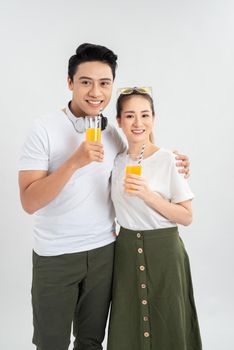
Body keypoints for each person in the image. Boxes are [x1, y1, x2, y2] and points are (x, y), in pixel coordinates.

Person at [18, 44, 191, 350]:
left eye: (104, 83)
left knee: (91, 341)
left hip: (104, 252)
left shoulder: (112, 133)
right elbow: (29, 202)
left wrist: (173, 162)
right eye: (85, 82)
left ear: (112, 85)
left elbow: (138, 159)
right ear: (70, 82)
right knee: (51, 342)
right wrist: (74, 161)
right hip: (55, 255)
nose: (95, 91)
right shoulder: (43, 129)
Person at [107, 87, 202, 350]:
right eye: (130, 116)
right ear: (119, 121)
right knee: (128, 322)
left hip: (164, 253)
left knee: (169, 319)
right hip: (125, 251)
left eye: (145, 115)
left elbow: (186, 216)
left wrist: (149, 196)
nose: (138, 123)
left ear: (154, 119)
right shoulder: (116, 162)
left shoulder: (170, 160)